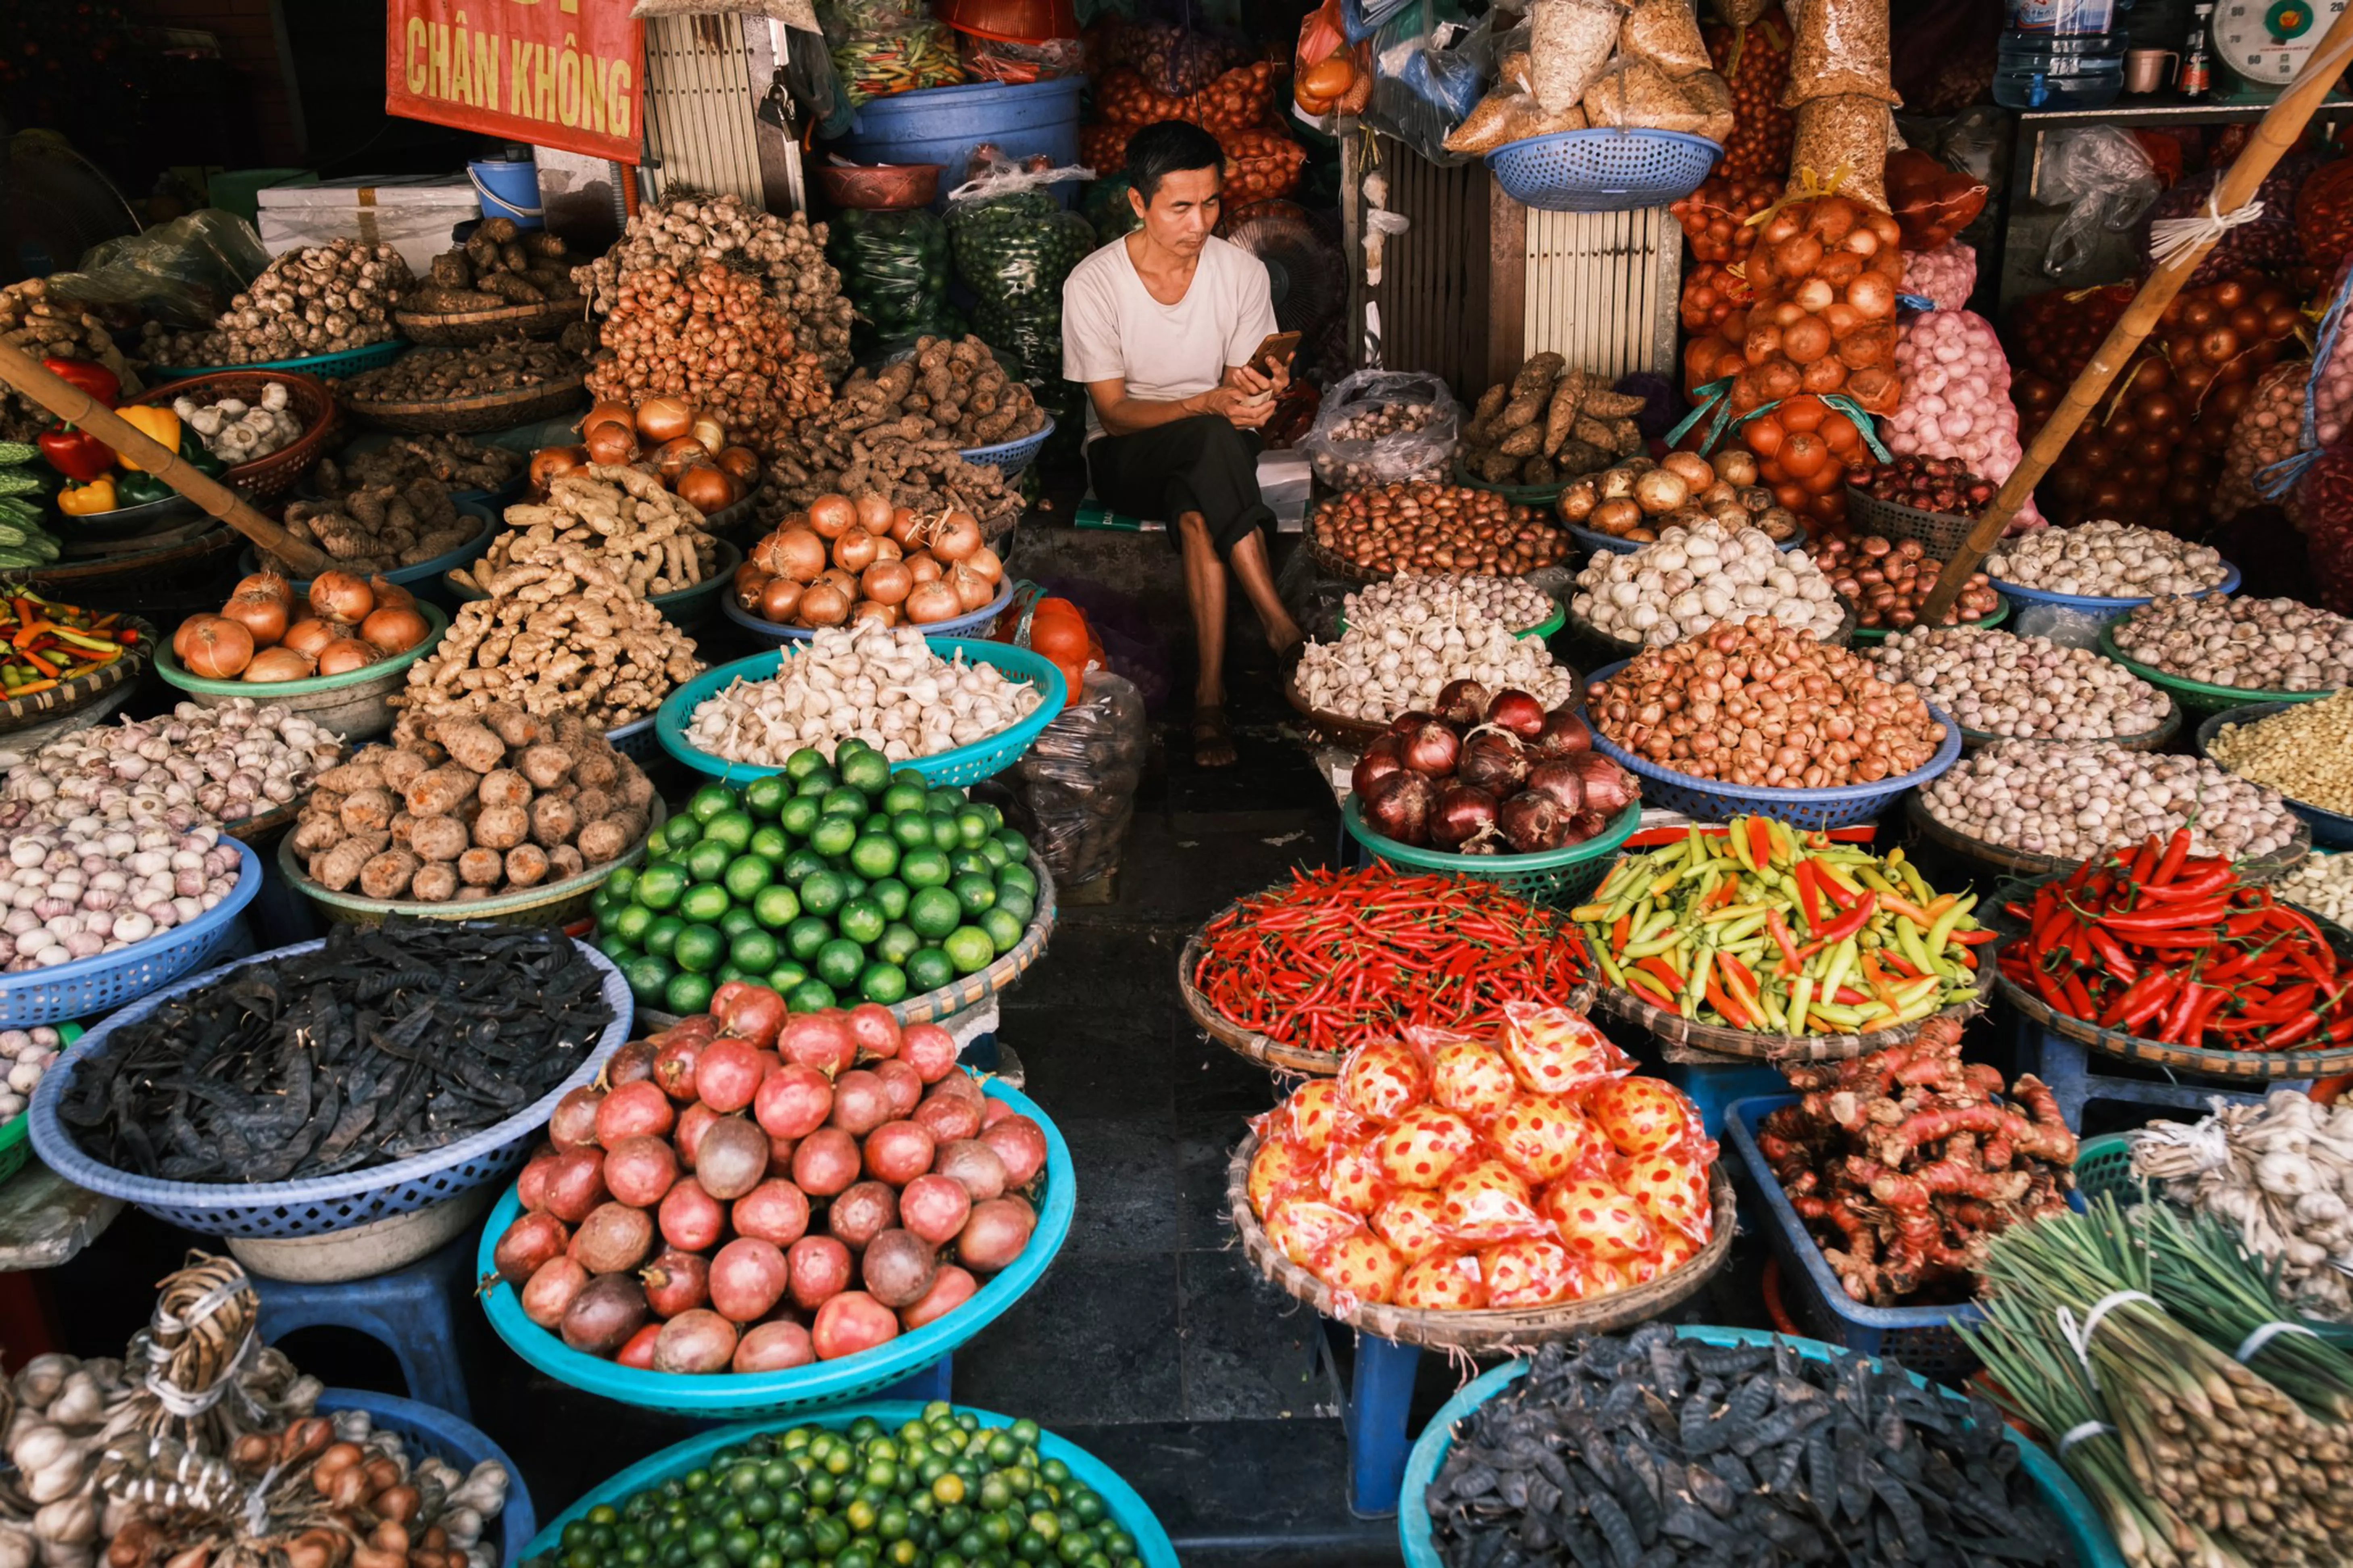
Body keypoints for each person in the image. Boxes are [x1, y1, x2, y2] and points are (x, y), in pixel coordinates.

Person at [1061, 119, 1303, 767]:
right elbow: (1112, 414)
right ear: (1138, 204)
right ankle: (1280, 625)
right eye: (1180, 207)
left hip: (1216, 449)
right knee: (1205, 437)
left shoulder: (1241, 273)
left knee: (1199, 509)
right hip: (1125, 455)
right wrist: (1208, 404)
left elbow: (1235, 388)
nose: (1200, 222)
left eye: (1212, 203)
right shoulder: (1093, 284)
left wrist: (1258, 393)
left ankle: (1207, 701)